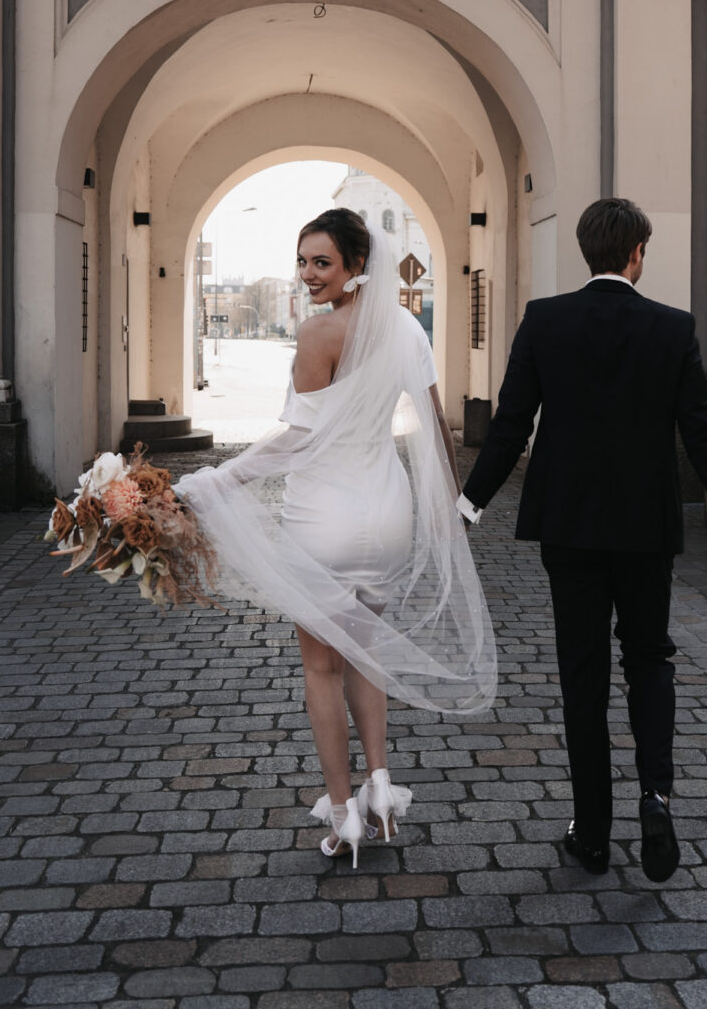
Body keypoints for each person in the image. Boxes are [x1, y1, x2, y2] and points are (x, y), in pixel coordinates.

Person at [174, 209, 496, 867]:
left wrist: (220, 480)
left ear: (354, 265)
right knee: (367, 656)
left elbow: (296, 439)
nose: (308, 274)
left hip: (324, 522)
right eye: (302, 261)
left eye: (322, 262)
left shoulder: (318, 334)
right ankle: (380, 790)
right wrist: (453, 504)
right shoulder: (406, 327)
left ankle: (343, 814)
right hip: (388, 518)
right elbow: (435, 423)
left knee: (321, 668)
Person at [458, 197, 707, 883]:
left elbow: (509, 428)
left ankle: (592, 832)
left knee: (583, 673)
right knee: (650, 658)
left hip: (567, 528)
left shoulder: (545, 320)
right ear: (635, 255)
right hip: (645, 530)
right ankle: (655, 798)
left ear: (587, 252)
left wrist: (465, 511)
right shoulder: (671, 328)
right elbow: (704, 439)